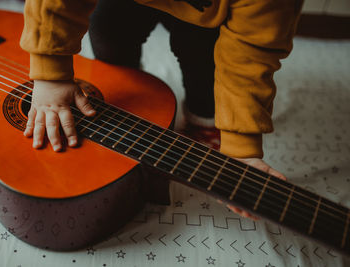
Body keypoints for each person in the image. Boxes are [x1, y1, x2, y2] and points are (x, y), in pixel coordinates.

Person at [20, 0, 303, 218]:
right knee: (109, 34)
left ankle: (203, 117)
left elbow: (249, 59)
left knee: (203, 59)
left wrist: (241, 147)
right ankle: (130, 88)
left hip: (213, 12)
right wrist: (50, 74)